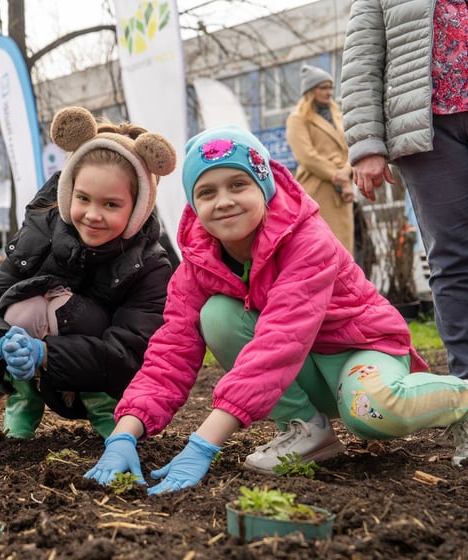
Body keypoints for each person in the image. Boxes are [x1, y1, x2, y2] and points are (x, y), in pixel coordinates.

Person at [84, 126, 468, 494]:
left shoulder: (307, 241)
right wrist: (125, 433)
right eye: (206, 192)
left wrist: (204, 443)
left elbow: (280, 341)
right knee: (217, 315)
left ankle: (461, 401)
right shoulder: (197, 266)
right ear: (194, 205)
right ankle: (306, 430)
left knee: (371, 412)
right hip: (305, 371)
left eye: (238, 184)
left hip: (359, 348)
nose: (224, 201)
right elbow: (170, 353)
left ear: (264, 187)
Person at [0, 106, 176, 439]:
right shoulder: (40, 232)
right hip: (46, 367)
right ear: (68, 192)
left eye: (111, 204)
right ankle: (23, 397)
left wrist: (45, 353)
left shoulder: (150, 264)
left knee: (70, 311)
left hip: (108, 381)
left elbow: (130, 354)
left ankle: (105, 410)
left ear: (138, 208)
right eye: (83, 198)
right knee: (20, 307)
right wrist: (1, 342)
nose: (92, 215)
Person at [342, 1, 468, 379]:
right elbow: (361, 61)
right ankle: (467, 386)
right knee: (453, 259)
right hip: (429, 132)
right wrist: (366, 143)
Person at [285, 63, 354, 253]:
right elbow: (307, 156)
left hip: (342, 190)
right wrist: (340, 175)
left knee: (344, 249)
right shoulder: (297, 119)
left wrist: (348, 170)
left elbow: (351, 148)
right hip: (318, 189)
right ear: (310, 91)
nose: (329, 92)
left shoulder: (338, 116)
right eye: (323, 87)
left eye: (330, 87)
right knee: (323, 248)